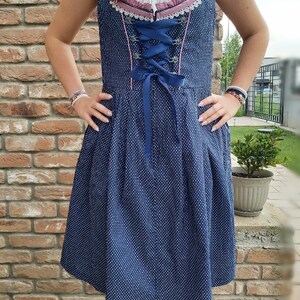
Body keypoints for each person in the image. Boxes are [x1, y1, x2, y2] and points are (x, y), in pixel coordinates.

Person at [45, 0, 269, 299]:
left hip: (191, 136)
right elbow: (56, 38)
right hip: (122, 138)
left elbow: (257, 32)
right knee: (124, 257)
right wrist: (78, 97)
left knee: (188, 256)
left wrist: (235, 95)